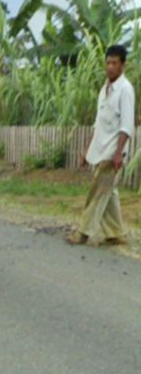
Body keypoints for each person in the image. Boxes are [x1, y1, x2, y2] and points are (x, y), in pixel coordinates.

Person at [66, 44, 135, 246]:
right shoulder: (104, 90)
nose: (110, 67)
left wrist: (118, 153)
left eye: (115, 63)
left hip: (112, 152)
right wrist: (86, 150)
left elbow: (126, 126)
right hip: (100, 149)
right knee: (108, 193)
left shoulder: (125, 90)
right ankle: (115, 233)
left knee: (97, 192)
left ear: (123, 65)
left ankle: (83, 232)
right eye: (108, 63)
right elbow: (98, 124)